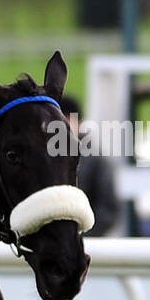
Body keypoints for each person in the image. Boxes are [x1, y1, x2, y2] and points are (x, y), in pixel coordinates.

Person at [58, 94, 119, 236]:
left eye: (67, 119)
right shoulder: (41, 157)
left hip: (85, 244)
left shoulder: (95, 161)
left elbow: (108, 209)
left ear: (79, 122)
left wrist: (79, 236)